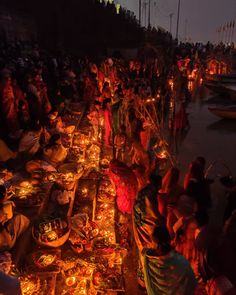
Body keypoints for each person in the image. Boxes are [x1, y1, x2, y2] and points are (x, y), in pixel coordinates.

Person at [142, 226, 197, 295]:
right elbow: (192, 285)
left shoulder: (148, 260)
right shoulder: (182, 262)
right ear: (169, 239)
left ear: (155, 244)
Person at [133, 172, 163, 286]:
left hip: (140, 229)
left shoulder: (142, 191)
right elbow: (153, 217)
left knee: (143, 255)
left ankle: (142, 281)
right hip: (147, 232)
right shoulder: (151, 197)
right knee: (149, 258)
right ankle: (146, 283)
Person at [0, 185, 29, 251]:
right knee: (21, 219)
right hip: (3, 243)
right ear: (4, 195)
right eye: (6, 193)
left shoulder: (4, 205)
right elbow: (7, 242)